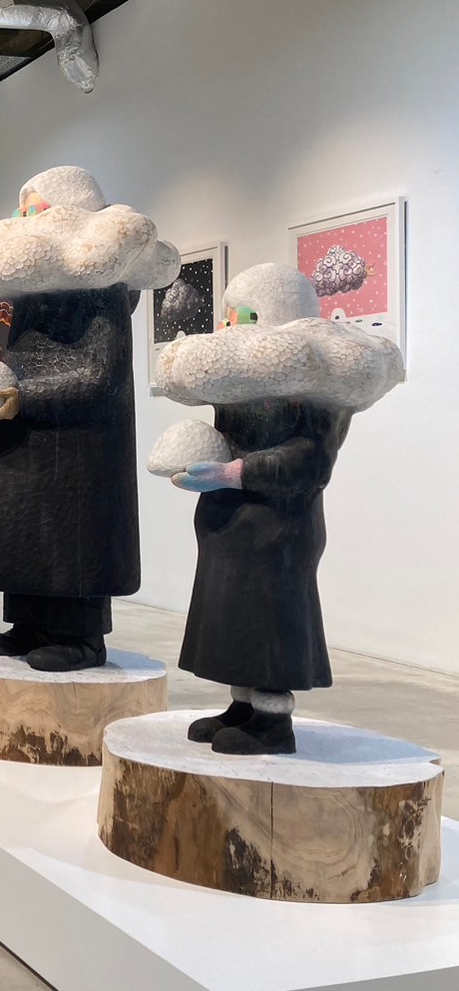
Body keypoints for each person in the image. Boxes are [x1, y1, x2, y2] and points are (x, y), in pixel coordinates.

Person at [155, 264, 403, 753]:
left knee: (269, 614)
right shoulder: (240, 379)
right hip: (230, 523)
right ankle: (243, 705)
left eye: (240, 315)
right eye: (227, 317)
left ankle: (272, 719)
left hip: (278, 528)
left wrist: (232, 473)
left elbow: (310, 462)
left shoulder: (316, 389)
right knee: (233, 615)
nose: (229, 326)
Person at [0, 166, 178, 671]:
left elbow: (101, 374)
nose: (23, 220)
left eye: (34, 210)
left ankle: (81, 637)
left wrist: (24, 395)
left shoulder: (102, 292)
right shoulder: (33, 293)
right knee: (23, 534)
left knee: (72, 541)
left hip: (80, 443)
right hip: (26, 429)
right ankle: (27, 624)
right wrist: (3, 391)